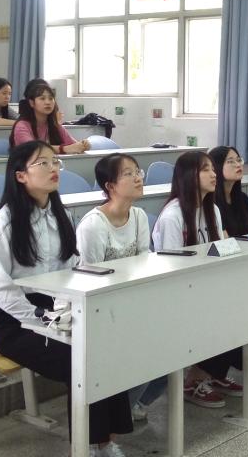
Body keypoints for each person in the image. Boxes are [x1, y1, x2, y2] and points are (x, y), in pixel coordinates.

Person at [0, 140, 133, 456]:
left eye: (56, 162)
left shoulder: (58, 213)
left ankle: (106, 440)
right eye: (43, 163)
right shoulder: (4, 222)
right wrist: (40, 319)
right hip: (17, 321)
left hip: (57, 309)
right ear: (20, 175)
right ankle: (86, 445)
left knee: (110, 345)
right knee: (83, 359)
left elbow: (72, 264)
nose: (54, 169)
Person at [151, 151, 244, 407]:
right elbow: (171, 270)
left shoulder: (212, 209)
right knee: (227, 314)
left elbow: (222, 250)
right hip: (180, 292)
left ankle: (212, 374)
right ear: (188, 176)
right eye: (205, 170)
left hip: (206, 286)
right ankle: (195, 379)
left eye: (213, 169)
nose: (214, 174)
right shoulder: (172, 216)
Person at [74, 154, 159, 421]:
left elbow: (144, 263)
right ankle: (113, 418)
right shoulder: (93, 225)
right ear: (110, 186)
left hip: (130, 302)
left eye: (138, 172)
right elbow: (90, 278)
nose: (138, 178)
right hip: (100, 308)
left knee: (168, 343)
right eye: (128, 174)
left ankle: (128, 407)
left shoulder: (139, 216)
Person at [11, 79, 89, 153]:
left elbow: (73, 144)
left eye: (51, 98)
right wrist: (64, 149)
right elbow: (33, 148)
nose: (48, 102)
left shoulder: (55, 125)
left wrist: (83, 145)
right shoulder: (22, 125)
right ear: (32, 103)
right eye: (42, 98)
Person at [208, 146, 248, 237]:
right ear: (216, 167)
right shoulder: (212, 203)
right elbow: (225, 241)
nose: (238, 165)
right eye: (230, 161)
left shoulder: (242, 198)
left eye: (239, 160)